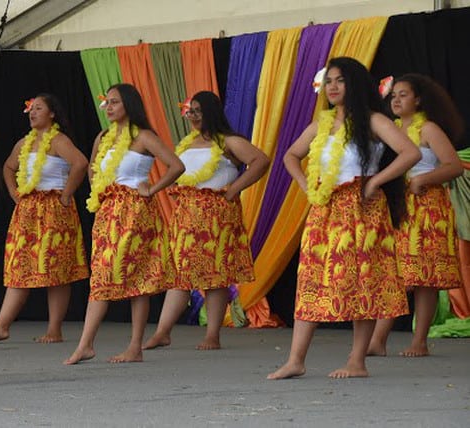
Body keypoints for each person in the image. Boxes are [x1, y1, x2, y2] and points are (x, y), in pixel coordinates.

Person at [267, 57, 421, 380]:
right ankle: (296, 360)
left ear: (354, 83)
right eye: (329, 82)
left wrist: (376, 180)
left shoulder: (373, 121)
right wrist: (306, 183)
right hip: (324, 210)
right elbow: (290, 156)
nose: (333, 87)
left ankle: (357, 361)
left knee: (362, 282)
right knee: (310, 281)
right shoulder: (320, 125)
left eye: (340, 80)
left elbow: (411, 153)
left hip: (361, 211)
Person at [64, 83, 184, 364]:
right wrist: (100, 192)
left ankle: (128, 346)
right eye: (107, 102)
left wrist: (152, 189)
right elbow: (93, 169)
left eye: (115, 102)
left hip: (136, 214)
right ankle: (90, 345)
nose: (109, 107)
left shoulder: (143, 137)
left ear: (129, 104)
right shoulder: (102, 137)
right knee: (102, 275)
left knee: (133, 277)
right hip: (107, 214)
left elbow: (176, 166)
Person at [142, 91, 269, 351]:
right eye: (190, 111)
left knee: (215, 276)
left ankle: (212, 335)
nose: (193, 116)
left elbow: (260, 160)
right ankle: (162, 332)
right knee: (179, 275)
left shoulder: (227, 142)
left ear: (211, 111)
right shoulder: (187, 143)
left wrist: (235, 189)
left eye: (198, 110)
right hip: (185, 216)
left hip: (216, 217)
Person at [0, 94, 89, 345]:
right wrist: (14, 193)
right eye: (30, 108)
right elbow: (8, 167)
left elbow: (80, 163)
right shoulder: (23, 143)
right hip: (27, 212)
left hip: (54, 211)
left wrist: (67, 194)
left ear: (52, 114)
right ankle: (1, 326)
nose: (32, 112)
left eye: (39, 108)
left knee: (57, 270)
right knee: (20, 267)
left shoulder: (58, 140)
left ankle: (54, 329)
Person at [368, 74, 464, 357]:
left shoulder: (429, 129)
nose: (396, 100)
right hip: (399, 208)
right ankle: (377, 340)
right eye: (393, 96)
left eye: (403, 95)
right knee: (393, 272)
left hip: (428, 208)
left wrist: (425, 179)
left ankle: (419, 341)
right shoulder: (392, 129)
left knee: (425, 278)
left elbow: (454, 166)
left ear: (418, 99)